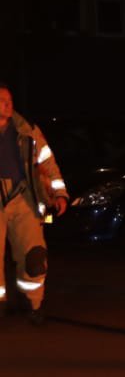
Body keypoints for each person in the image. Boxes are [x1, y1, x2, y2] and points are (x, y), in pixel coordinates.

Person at [0, 82, 70, 326]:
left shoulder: (28, 131)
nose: (8, 105)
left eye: (9, 100)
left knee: (35, 256)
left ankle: (33, 304)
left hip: (24, 198)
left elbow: (48, 163)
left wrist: (60, 194)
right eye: (2, 100)